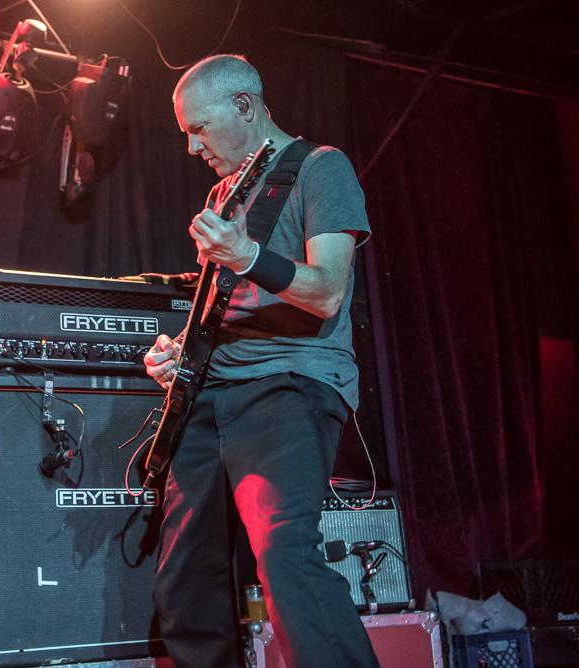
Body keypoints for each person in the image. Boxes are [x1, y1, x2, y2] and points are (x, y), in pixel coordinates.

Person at [143, 54, 380, 668]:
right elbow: (228, 306)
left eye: (199, 129)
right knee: (184, 581)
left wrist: (246, 253)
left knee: (285, 556)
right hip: (213, 391)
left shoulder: (321, 168)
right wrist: (180, 352)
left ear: (245, 107)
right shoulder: (226, 193)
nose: (193, 147)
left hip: (288, 384)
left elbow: (327, 289)